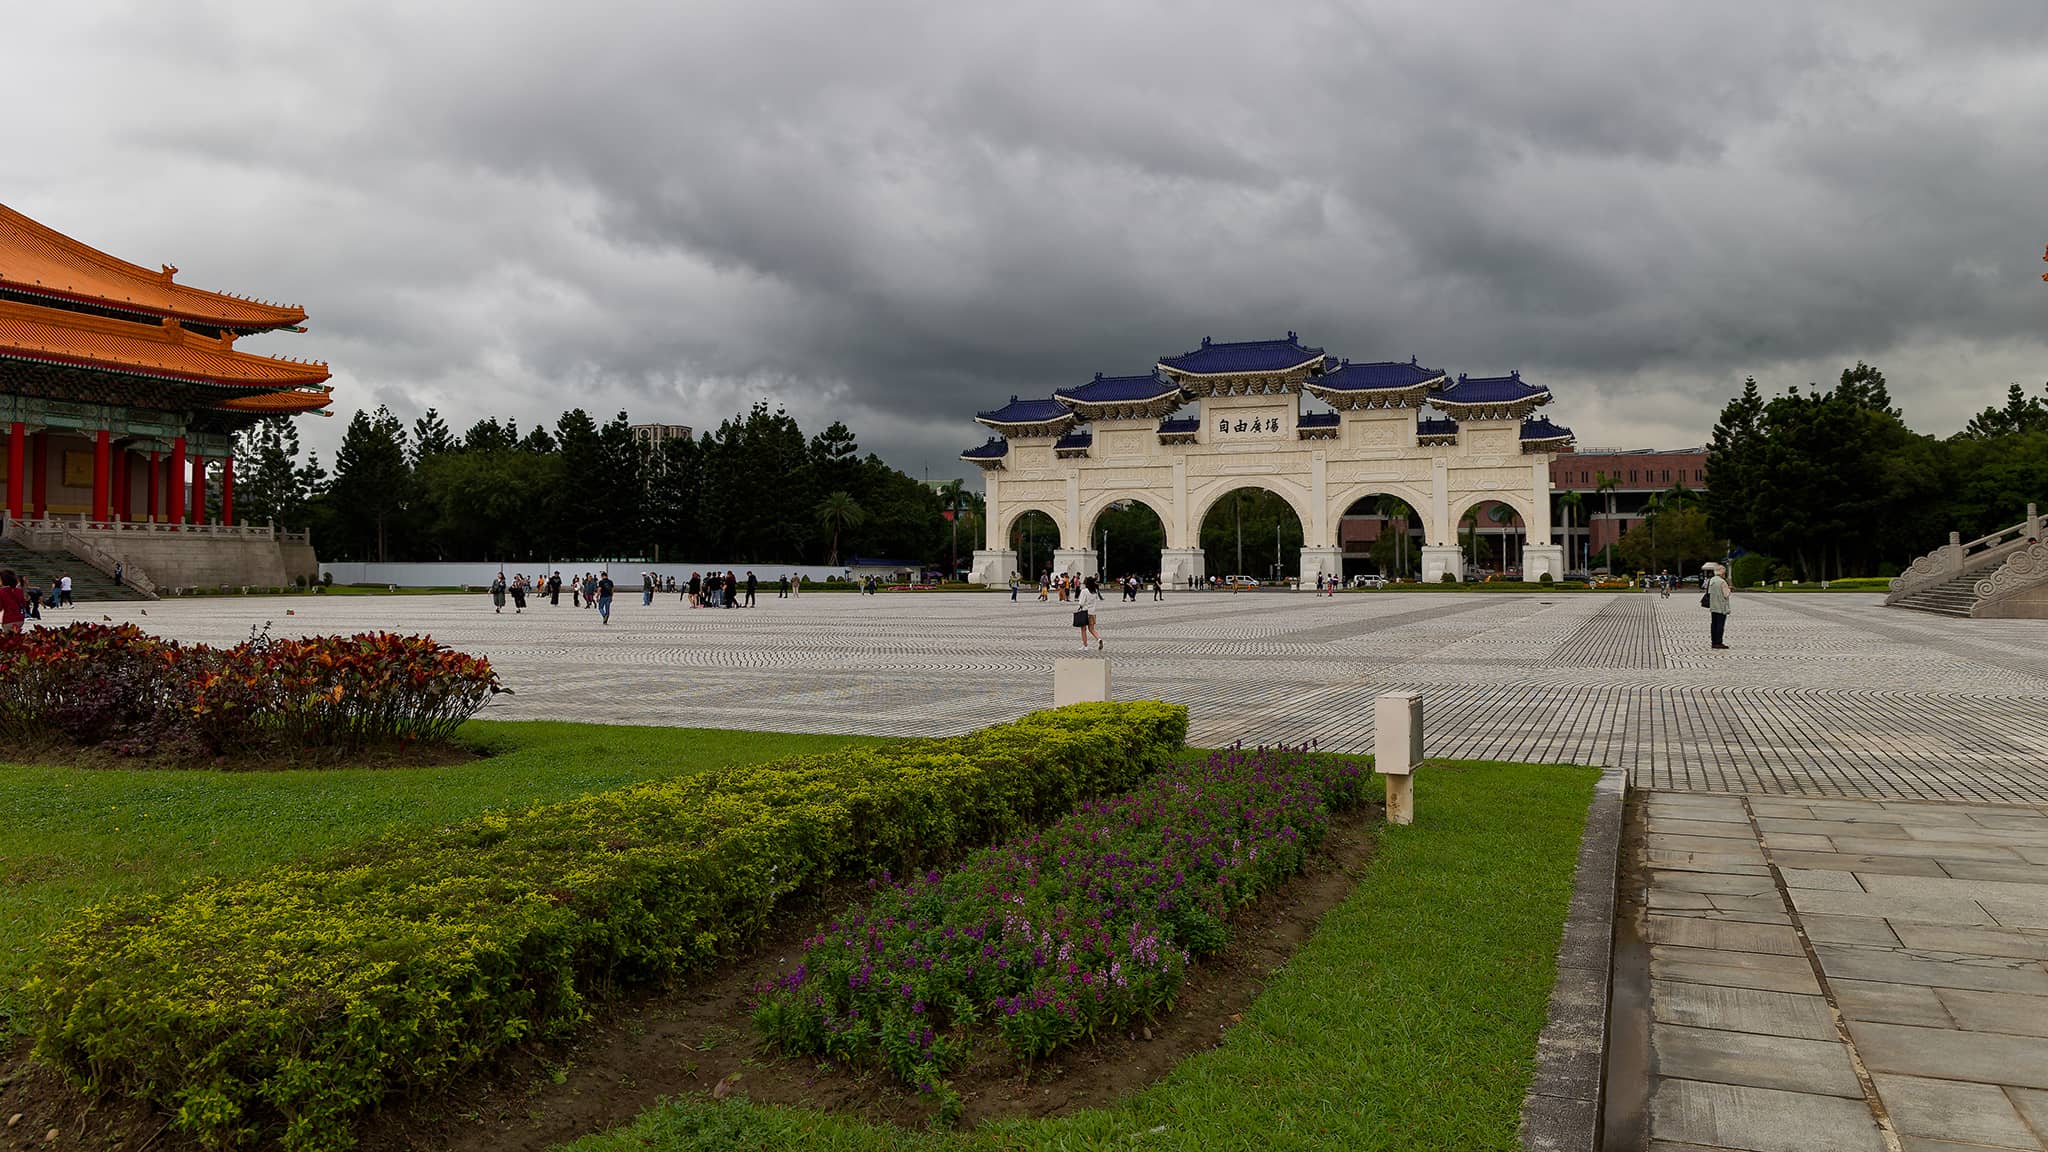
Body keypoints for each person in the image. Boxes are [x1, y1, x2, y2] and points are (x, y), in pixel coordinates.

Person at [1704, 563, 1732, 650]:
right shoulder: (1722, 582)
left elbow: (1708, 592)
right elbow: (1726, 594)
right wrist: (1729, 589)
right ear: (1722, 572)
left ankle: (1714, 642)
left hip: (1713, 605)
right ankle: (1719, 642)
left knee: (1714, 624)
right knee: (1720, 625)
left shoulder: (1712, 580)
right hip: (1721, 606)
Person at [1075, 575, 1105, 650]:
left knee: (1083, 629)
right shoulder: (1095, 592)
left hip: (1085, 612)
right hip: (1092, 613)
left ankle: (1085, 645)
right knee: (1091, 629)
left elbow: (1081, 603)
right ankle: (1099, 639)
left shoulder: (1084, 591)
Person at [0, 569, 28, 634]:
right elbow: (23, 604)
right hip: (20, 619)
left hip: (8, 619)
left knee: (8, 639)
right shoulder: (19, 591)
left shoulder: (1, 592)